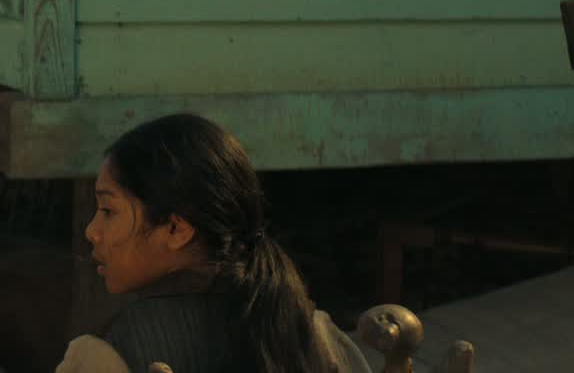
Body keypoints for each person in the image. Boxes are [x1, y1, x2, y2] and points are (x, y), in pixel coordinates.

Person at [56, 113, 371, 373]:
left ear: (176, 229)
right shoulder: (317, 336)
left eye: (108, 211)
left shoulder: (103, 358)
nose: (92, 231)